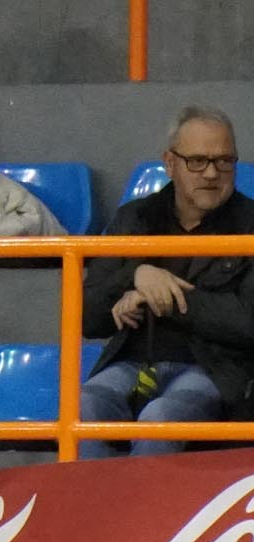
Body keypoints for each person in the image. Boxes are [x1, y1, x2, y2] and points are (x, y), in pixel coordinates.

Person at [79, 107, 254, 460]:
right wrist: (137, 275)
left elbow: (247, 322)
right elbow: (88, 315)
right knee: (84, 407)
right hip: (131, 363)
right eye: (197, 161)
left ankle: (143, 515)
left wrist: (162, 296)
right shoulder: (134, 218)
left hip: (213, 371)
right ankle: (92, 512)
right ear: (170, 163)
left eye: (224, 161)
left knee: (160, 419)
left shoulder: (251, 224)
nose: (210, 173)